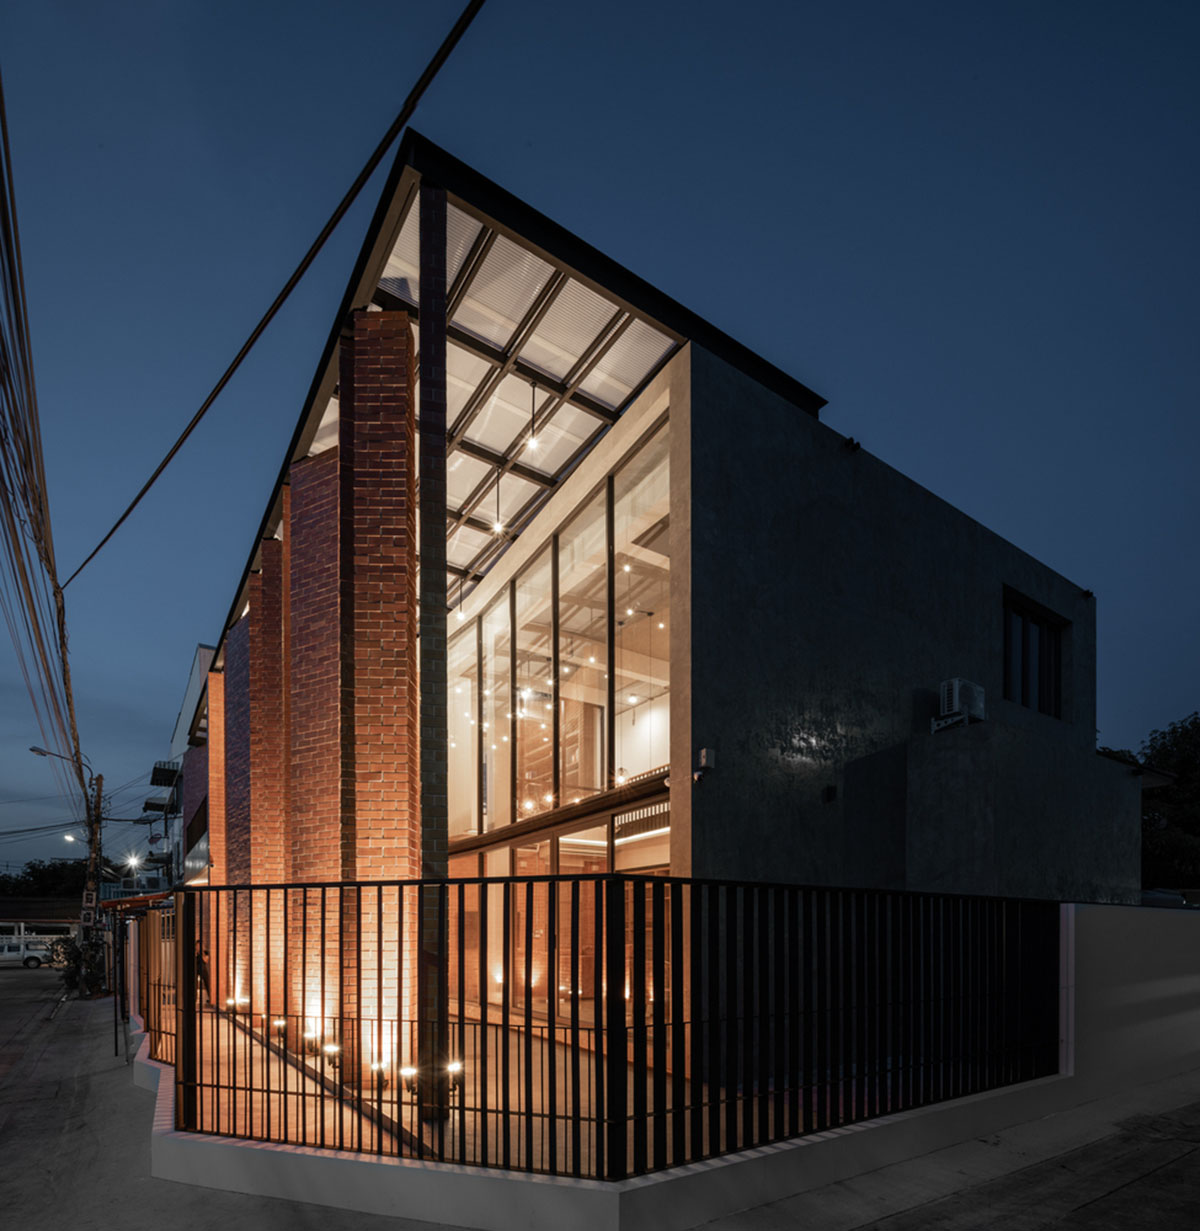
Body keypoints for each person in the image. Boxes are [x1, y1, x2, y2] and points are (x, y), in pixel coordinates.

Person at [195, 941, 212, 1008]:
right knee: (195, 985)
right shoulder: (195, 953)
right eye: (197, 945)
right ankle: (195, 999)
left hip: (203, 969)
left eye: (199, 945)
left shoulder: (205, 952)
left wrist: (201, 954)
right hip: (195, 969)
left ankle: (211, 998)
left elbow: (206, 960)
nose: (198, 947)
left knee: (207, 983)